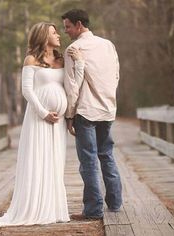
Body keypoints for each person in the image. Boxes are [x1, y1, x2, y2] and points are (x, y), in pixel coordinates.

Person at [0, 22, 85, 226]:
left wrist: (80, 64)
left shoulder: (62, 59)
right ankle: (34, 206)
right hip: (39, 118)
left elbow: (73, 84)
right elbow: (27, 90)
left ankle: (52, 207)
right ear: (43, 36)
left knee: (55, 162)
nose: (59, 35)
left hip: (57, 122)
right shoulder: (31, 59)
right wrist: (43, 113)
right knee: (38, 159)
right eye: (53, 32)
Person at [61, 9, 122, 220]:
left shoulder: (73, 49)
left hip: (86, 110)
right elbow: (116, 75)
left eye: (67, 26)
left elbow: (72, 86)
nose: (66, 31)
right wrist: (109, 100)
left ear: (78, 25)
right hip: (107, 109)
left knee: (88, 161)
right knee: (106, 155)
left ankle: (93, 210)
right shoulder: (108, 45)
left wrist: (69, 115)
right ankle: (115, 203)